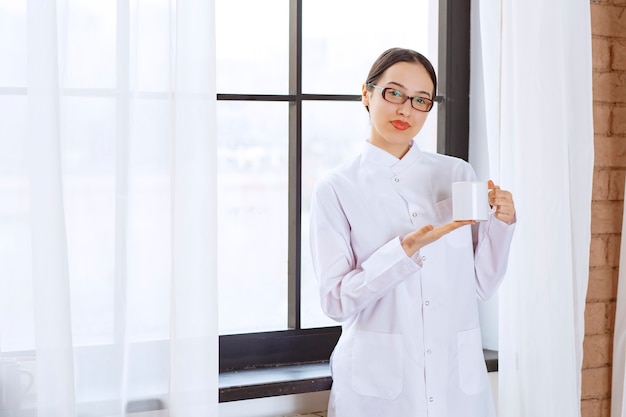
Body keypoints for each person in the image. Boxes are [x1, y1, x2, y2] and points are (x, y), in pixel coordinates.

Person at [308, 47, 516, 417]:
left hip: (456, 382)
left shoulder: (456, 175)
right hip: (378, 388)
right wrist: (402, 252)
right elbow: (335, 301)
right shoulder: (337, 187)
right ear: (367, 94)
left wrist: (502, 224)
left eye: (421, 100)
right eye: (394, 93)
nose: (406, 109)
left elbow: (481, 285)